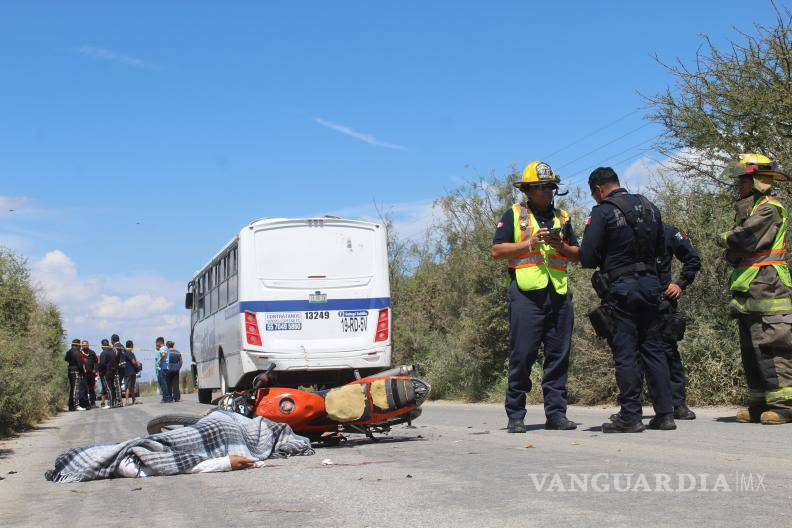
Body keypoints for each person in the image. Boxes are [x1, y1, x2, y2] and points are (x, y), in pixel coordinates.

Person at [580, 167, 674, 433]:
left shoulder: (602, 212)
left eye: (594, 194)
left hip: (623, 289)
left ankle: (630, 416)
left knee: (626, 352)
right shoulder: (650, 207)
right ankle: (665, 414)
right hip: (651, 286)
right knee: (654, 349)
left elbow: (587, 257)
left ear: (598, 190)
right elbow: (661, 249)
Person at [492, 161, 580, 432]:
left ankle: (556, 414)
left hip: (559, 295)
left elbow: (578, 255)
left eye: (550, 187)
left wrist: (560, 245)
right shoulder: (514, 214)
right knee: (522, 355)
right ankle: (516, 415)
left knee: (558, 357)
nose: (546, 192)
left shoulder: (563, 218)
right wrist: (530, 243)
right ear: (528, 190)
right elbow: (497, 251)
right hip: (526, 296)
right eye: (540, 187)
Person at [717, 154, 792, 425]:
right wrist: (733, 247)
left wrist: (725, 239)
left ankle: (784, 406)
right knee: (751, 350)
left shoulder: (770, 208)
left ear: (758, 181)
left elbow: (743, 239)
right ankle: (758, 403)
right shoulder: (752, 209)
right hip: (751, 287)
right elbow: (736, 251)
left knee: (772, 346)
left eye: (744, 180)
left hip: (769, 285)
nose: (739, 185)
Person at [656, 224, 701, 420]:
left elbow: (692, 259)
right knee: (633, 355)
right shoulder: (627, 231)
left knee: (669, 354)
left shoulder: (668, 232)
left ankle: (678, 405)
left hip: (662, 303)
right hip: (635, 302)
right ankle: (631, 409)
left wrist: (680, 284)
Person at [64, 339, 88, 411]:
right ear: (77, 345)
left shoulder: (68, 352)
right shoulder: (77, 352)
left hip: (70, 371)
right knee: (75, 389)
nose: (80, 347)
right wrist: (82, 372)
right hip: (76, 371)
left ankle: (71, 406)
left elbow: (66, 359)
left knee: (72, 389)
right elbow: (80, 364)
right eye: (80, 345)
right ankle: (76, 405)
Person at [98, 339, 120, 409]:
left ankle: (110, 403)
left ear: (102, 345)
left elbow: (102, 364)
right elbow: (117, 361)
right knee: (112, 388)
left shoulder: (104, 353)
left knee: (108, 389)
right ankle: (114, 402)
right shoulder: (113, 352)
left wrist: (101, 372)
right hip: (113, 372)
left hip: (106, 373)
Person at [80, 340, 98, 408]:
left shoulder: (92, 353)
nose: (85, 346)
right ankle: (86, 404)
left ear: (88, 345)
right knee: (84, 389)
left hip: (91, 374)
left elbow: (96, 362)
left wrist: (95, 370)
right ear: (81, 346)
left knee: (91, 389)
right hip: (83, 374)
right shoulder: (80, 353)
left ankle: (93, 403)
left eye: (86, 345)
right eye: (83, 345)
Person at [111, 334, 127, 406]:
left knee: (117, 385)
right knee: (119, 384)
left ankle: (118, 401)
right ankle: (119, 401)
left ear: (112, 340)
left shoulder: (115, 347)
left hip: (118, 367)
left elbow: (115, 357)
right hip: (123, 367)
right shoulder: (122, 346)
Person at [122, 340, 139, 406]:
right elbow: (133, 362)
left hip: (128, 372)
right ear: (131, 345)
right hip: (130, 372)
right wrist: (138, 363)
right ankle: (127, 401)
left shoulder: (125, 352)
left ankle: (133, 400)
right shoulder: (129, 352)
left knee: (131, 387)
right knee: (128, 387)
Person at [155, 337, 171, 402]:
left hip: (163, 367)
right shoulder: (165, 348)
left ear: (159, 342)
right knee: (164, 383)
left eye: (156, 342)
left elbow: (163, 355)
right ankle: (165, 397)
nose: (156, 344)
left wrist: (160, 364)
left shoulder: (162, 348)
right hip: (165, 367)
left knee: (163, 384)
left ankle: (167, 397)